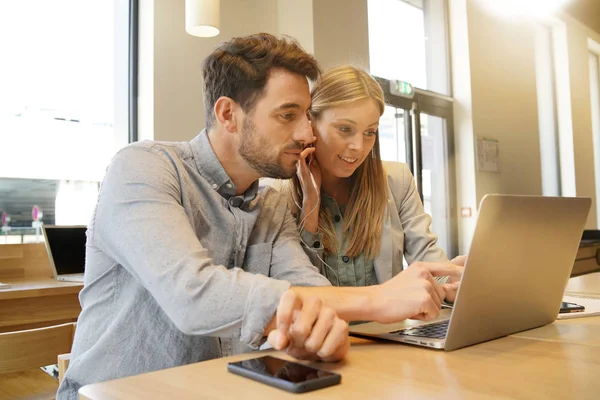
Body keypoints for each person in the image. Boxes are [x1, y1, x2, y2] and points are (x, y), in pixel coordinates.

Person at [58, 34, 461, 399]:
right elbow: (194, 295)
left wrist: (320, 327)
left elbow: (311, 291)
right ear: (228, 114)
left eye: (307, 115)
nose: (307, 134)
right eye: (289, 115)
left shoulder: (270, 205)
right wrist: (375, 299)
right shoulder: (144, 167)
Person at [279, 65, 461, 298]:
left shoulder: (396, 181)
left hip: (389, 333)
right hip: (321, 333)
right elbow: (296, 285)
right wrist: (311, 204)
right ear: (310, 121)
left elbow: (427, 258)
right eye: (345, 129)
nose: (358, 146)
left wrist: (454, 280)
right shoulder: (277, 193)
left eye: (369, 132)